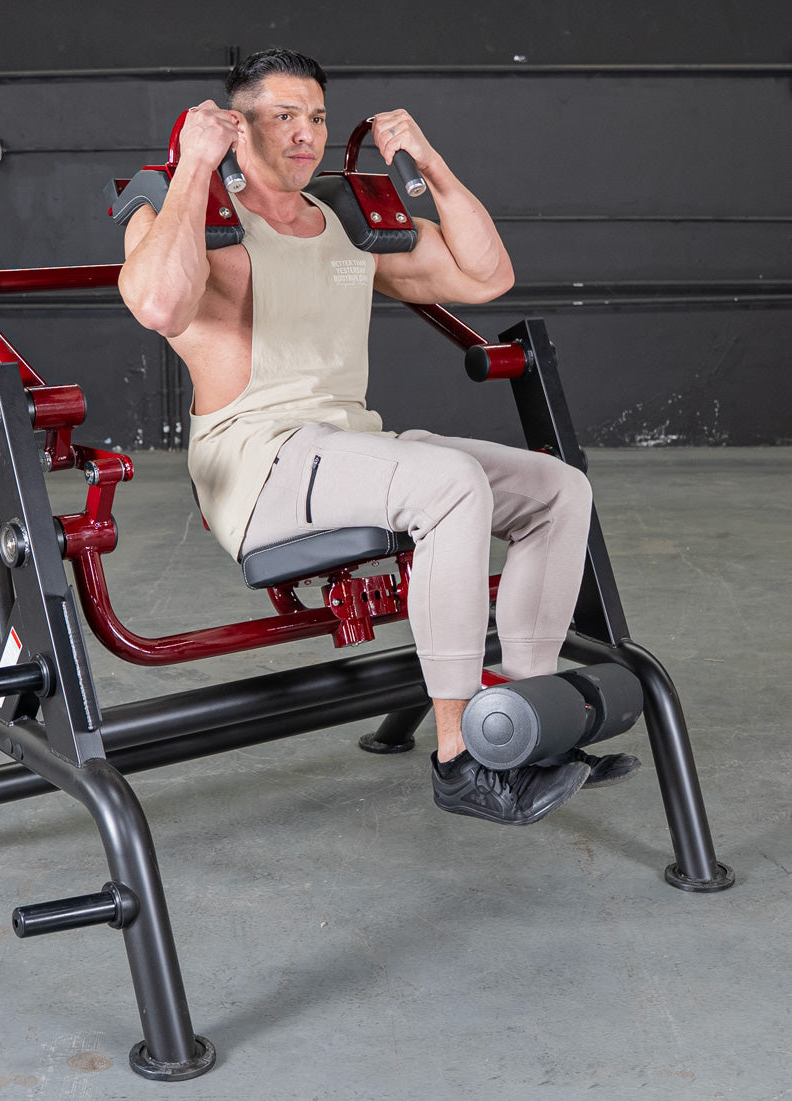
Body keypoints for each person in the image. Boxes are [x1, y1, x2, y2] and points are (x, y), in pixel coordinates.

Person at [118, 48, 639, 826]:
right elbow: (159, 306)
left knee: (558, 488)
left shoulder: (344, 226)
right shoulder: (181, 214)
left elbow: (486, 274)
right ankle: (461, 761)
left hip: (348, 447)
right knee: (447, 484)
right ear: (236, 124)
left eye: (317, 117)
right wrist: (195, 163)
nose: (305, 135)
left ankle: (527, 729)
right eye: (283, 117)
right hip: (259, 465)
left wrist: (427, 161)